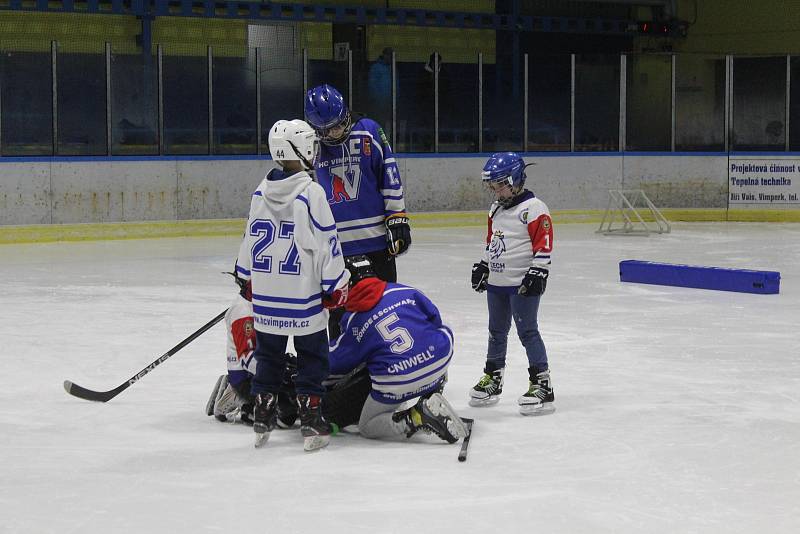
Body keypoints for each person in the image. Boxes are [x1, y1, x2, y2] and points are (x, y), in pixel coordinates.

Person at [235, 119, 350, 451]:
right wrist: (337, 283)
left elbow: (249, 237)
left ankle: (262, 413)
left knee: (269, 355)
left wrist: (245, 275)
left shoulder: (261, 191)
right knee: (312, 355)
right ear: (301, 150)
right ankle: (311, 419)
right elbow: (327, 242)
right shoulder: (310, 193)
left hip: (269, 296)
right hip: (303, 297)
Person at [304, 83, 412, 338]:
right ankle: (341, 371)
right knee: (340, 319)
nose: (335, 132)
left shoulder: (369, 130)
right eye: (327, 129)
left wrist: (397, 218)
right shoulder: (309, 144)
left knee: (385, 311)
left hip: (376, 243)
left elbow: (389, 173)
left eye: (339, 124)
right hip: (335, 249)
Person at [323, 255, 467, 444]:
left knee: (368, 425)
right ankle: (433, 387)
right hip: (439, 360)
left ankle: (416, 417)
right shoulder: (405, 290)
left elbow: (338, 361)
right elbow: (434, 319)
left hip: (399, 380)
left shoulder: (354, 319)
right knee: (436, 335)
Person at [469, 152, 555, 416]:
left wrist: (538, 271)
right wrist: (484, 264)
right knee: (496, 331)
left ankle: (542, 383)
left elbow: (544, 243)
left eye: (500, 185)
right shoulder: (495, 209)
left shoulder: (534, 208)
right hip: (497, 282)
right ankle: (493, 378)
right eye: (492, 186)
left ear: (515, 179)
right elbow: (492, 242)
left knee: (527, 331)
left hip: (522, 282)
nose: (496, 191)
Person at [205, 272, 297, 428]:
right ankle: (240, 398)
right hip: (246, 377)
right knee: (285, 417)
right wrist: (280, 372)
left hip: (263, 366)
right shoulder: (243, 313)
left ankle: (235, 388)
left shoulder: (257, 302)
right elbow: (248, 360)